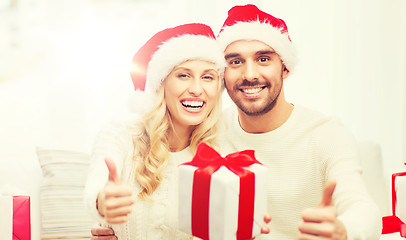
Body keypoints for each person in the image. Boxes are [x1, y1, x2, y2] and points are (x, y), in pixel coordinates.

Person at [91, 4, 382, 240]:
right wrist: (110, 221)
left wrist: (345, 231)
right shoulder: (207, 131)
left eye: (264, 59)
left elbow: (362, 208)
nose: (249, 74)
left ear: (285, 68)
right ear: (221, 75)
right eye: (234, 61)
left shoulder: (324, 133)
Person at [84, 23, 227, 239]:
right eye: (183, 75)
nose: (197, 89)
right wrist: (102, 201)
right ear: (161, 84)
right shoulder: (120, 135)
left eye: (208, 77)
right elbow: (97, 185)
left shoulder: (221, 150)